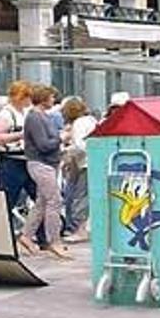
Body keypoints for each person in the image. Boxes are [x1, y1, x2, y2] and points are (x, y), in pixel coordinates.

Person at [19, 86, 70, 259]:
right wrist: (61, 138)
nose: (53, 100)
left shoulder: (41, 116)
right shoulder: (35, 118)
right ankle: (54, 241)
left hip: (47, 164)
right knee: (54, 201)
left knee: (42, 202)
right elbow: (43, 144)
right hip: (41, 164)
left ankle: (26, 235)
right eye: (51, 97)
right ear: (43, 98)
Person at [0, 81, 36, 218]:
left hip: (27, 159)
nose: (29, 100)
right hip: (11, 161)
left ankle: (40, 233)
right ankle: (1, 231)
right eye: (27, 97)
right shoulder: (5, 114)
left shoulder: (26, 112)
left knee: (39, 197)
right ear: (20, 97)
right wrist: (20, 135)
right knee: (9, 199)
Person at [60, 97, 97, 243]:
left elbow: (81, 146)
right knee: (85, 197)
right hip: (92, 163)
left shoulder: (79, 124)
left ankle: (79, 230)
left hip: (84, 164)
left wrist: (66, 151)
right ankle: (82, 228)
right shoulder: (91, 120)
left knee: (80, 197)